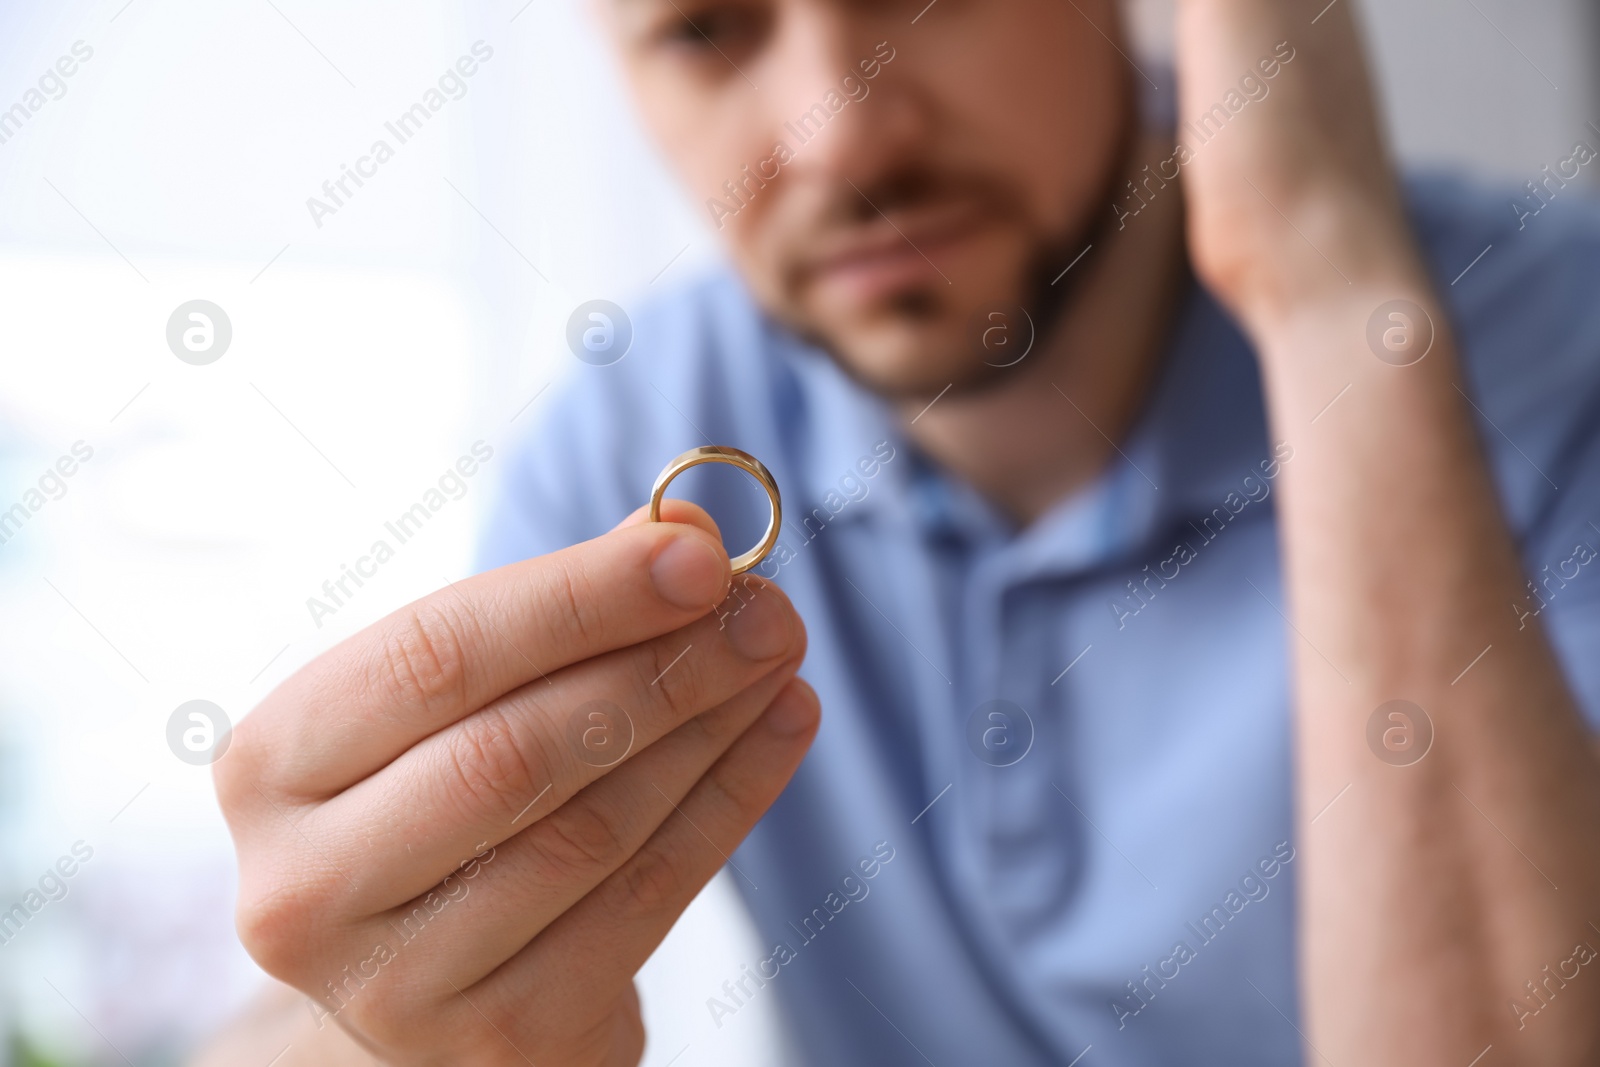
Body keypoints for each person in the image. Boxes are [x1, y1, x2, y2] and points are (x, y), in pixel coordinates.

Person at [199, 0, 1600, 1063]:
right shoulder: (637, 438)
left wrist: (1327, 288)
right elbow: (354, 1010)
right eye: (707, 30)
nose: (840, 134)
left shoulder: (1563, 348)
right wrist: (390, 1012)